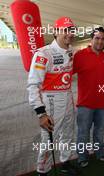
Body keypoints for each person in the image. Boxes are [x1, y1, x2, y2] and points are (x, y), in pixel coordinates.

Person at [27, 17, 77, 176]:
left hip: (68, 98)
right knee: (48, 141)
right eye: (65, 30)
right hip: (51, 101)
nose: (69, 34)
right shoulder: (43, 53)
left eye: (71, 30)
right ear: (56, 32)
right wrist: (41, 113)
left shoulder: (71, 51)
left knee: (68, 135)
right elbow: (33, 85)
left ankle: (65, 162)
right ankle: (43, 170)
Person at [73, 27, 104, 168]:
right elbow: (67, 71)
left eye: (103, 39)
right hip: (85, 104)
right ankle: (82, 156)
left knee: (99, 132)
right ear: (91, 40)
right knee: (83, 133)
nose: (100, 41)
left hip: (103, 104)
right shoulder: (80, 55)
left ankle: (99, 152)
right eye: (97, 38)